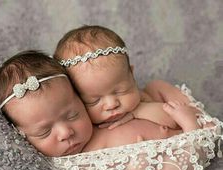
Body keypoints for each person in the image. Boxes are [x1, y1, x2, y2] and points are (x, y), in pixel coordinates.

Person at [0, 50, 205, 170]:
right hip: (172, 160)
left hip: (172, 127)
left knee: (156, 88)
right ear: (20, 135)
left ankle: (194, 127)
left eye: (73, 114)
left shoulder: (101, 112)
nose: (66, 133)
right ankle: (194, 132)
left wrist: (138, 112)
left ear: (80, 97)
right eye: (44, 132)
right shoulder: (77, 166)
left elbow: (146, 106)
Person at [53, 25, 195, 130]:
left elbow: (185, 119)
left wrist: (138, 111)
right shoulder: (83, 129)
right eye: (93, 100)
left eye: (120, 91)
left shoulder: (150, 97)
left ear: (131, 75)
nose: (111, 105)